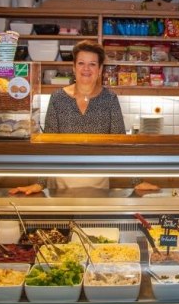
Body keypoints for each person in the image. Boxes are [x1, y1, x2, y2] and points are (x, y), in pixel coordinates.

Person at [9, 40, 157, 195]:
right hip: (60, 182)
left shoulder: (110, 99)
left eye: (92, 64)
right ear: (73, 67)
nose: (86, 68)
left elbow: (120, 144)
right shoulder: (57, 98)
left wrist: (137, 181)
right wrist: (39, 183)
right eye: (81, 63)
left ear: (100, 69)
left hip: (97, 182)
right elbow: (48, 144)